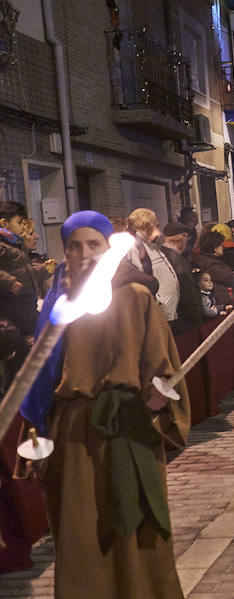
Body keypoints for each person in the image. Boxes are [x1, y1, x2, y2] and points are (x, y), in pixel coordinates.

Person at [19, 210, 190, 598]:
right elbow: (40, 380)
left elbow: (164, 369)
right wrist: (35, 435)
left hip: (127, 427)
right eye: (74, 246)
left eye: (94, 244)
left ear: (108, 247)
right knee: (81, 535)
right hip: (71, 436)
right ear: (65, 252)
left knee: (135, 533)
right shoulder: (59, 302)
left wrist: (159, 396)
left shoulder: (135, 295)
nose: (85, 254)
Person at [0, 202, 54, 336]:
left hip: (26, 297)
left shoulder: (15, 244)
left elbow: (26, 270)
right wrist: (8, 281)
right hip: (12, 301)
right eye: (19, 223)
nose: (23, 227)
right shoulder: (3, 245)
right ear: (4, 223)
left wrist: (44, 269)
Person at [126, 208, 180, 327]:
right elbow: (139, 279)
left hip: (166, 313)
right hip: (157, 315)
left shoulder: (149, 244)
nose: (158, 231)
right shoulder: (134, 247)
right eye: (156, 226)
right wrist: (157, 302)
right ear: (146, 225)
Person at [161, 221, 204, 333]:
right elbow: (188, 295)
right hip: (184, 323)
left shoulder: (160, 254)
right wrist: (197, 321)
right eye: (187, 238)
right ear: (182, 237)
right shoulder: (178, 262)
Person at [191, 230, 234, 306]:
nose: (223, 247)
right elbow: (231, 277)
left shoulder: (201, 258)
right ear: (215, 248)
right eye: (221, 245)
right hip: (222, 301)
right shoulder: (213, 264)